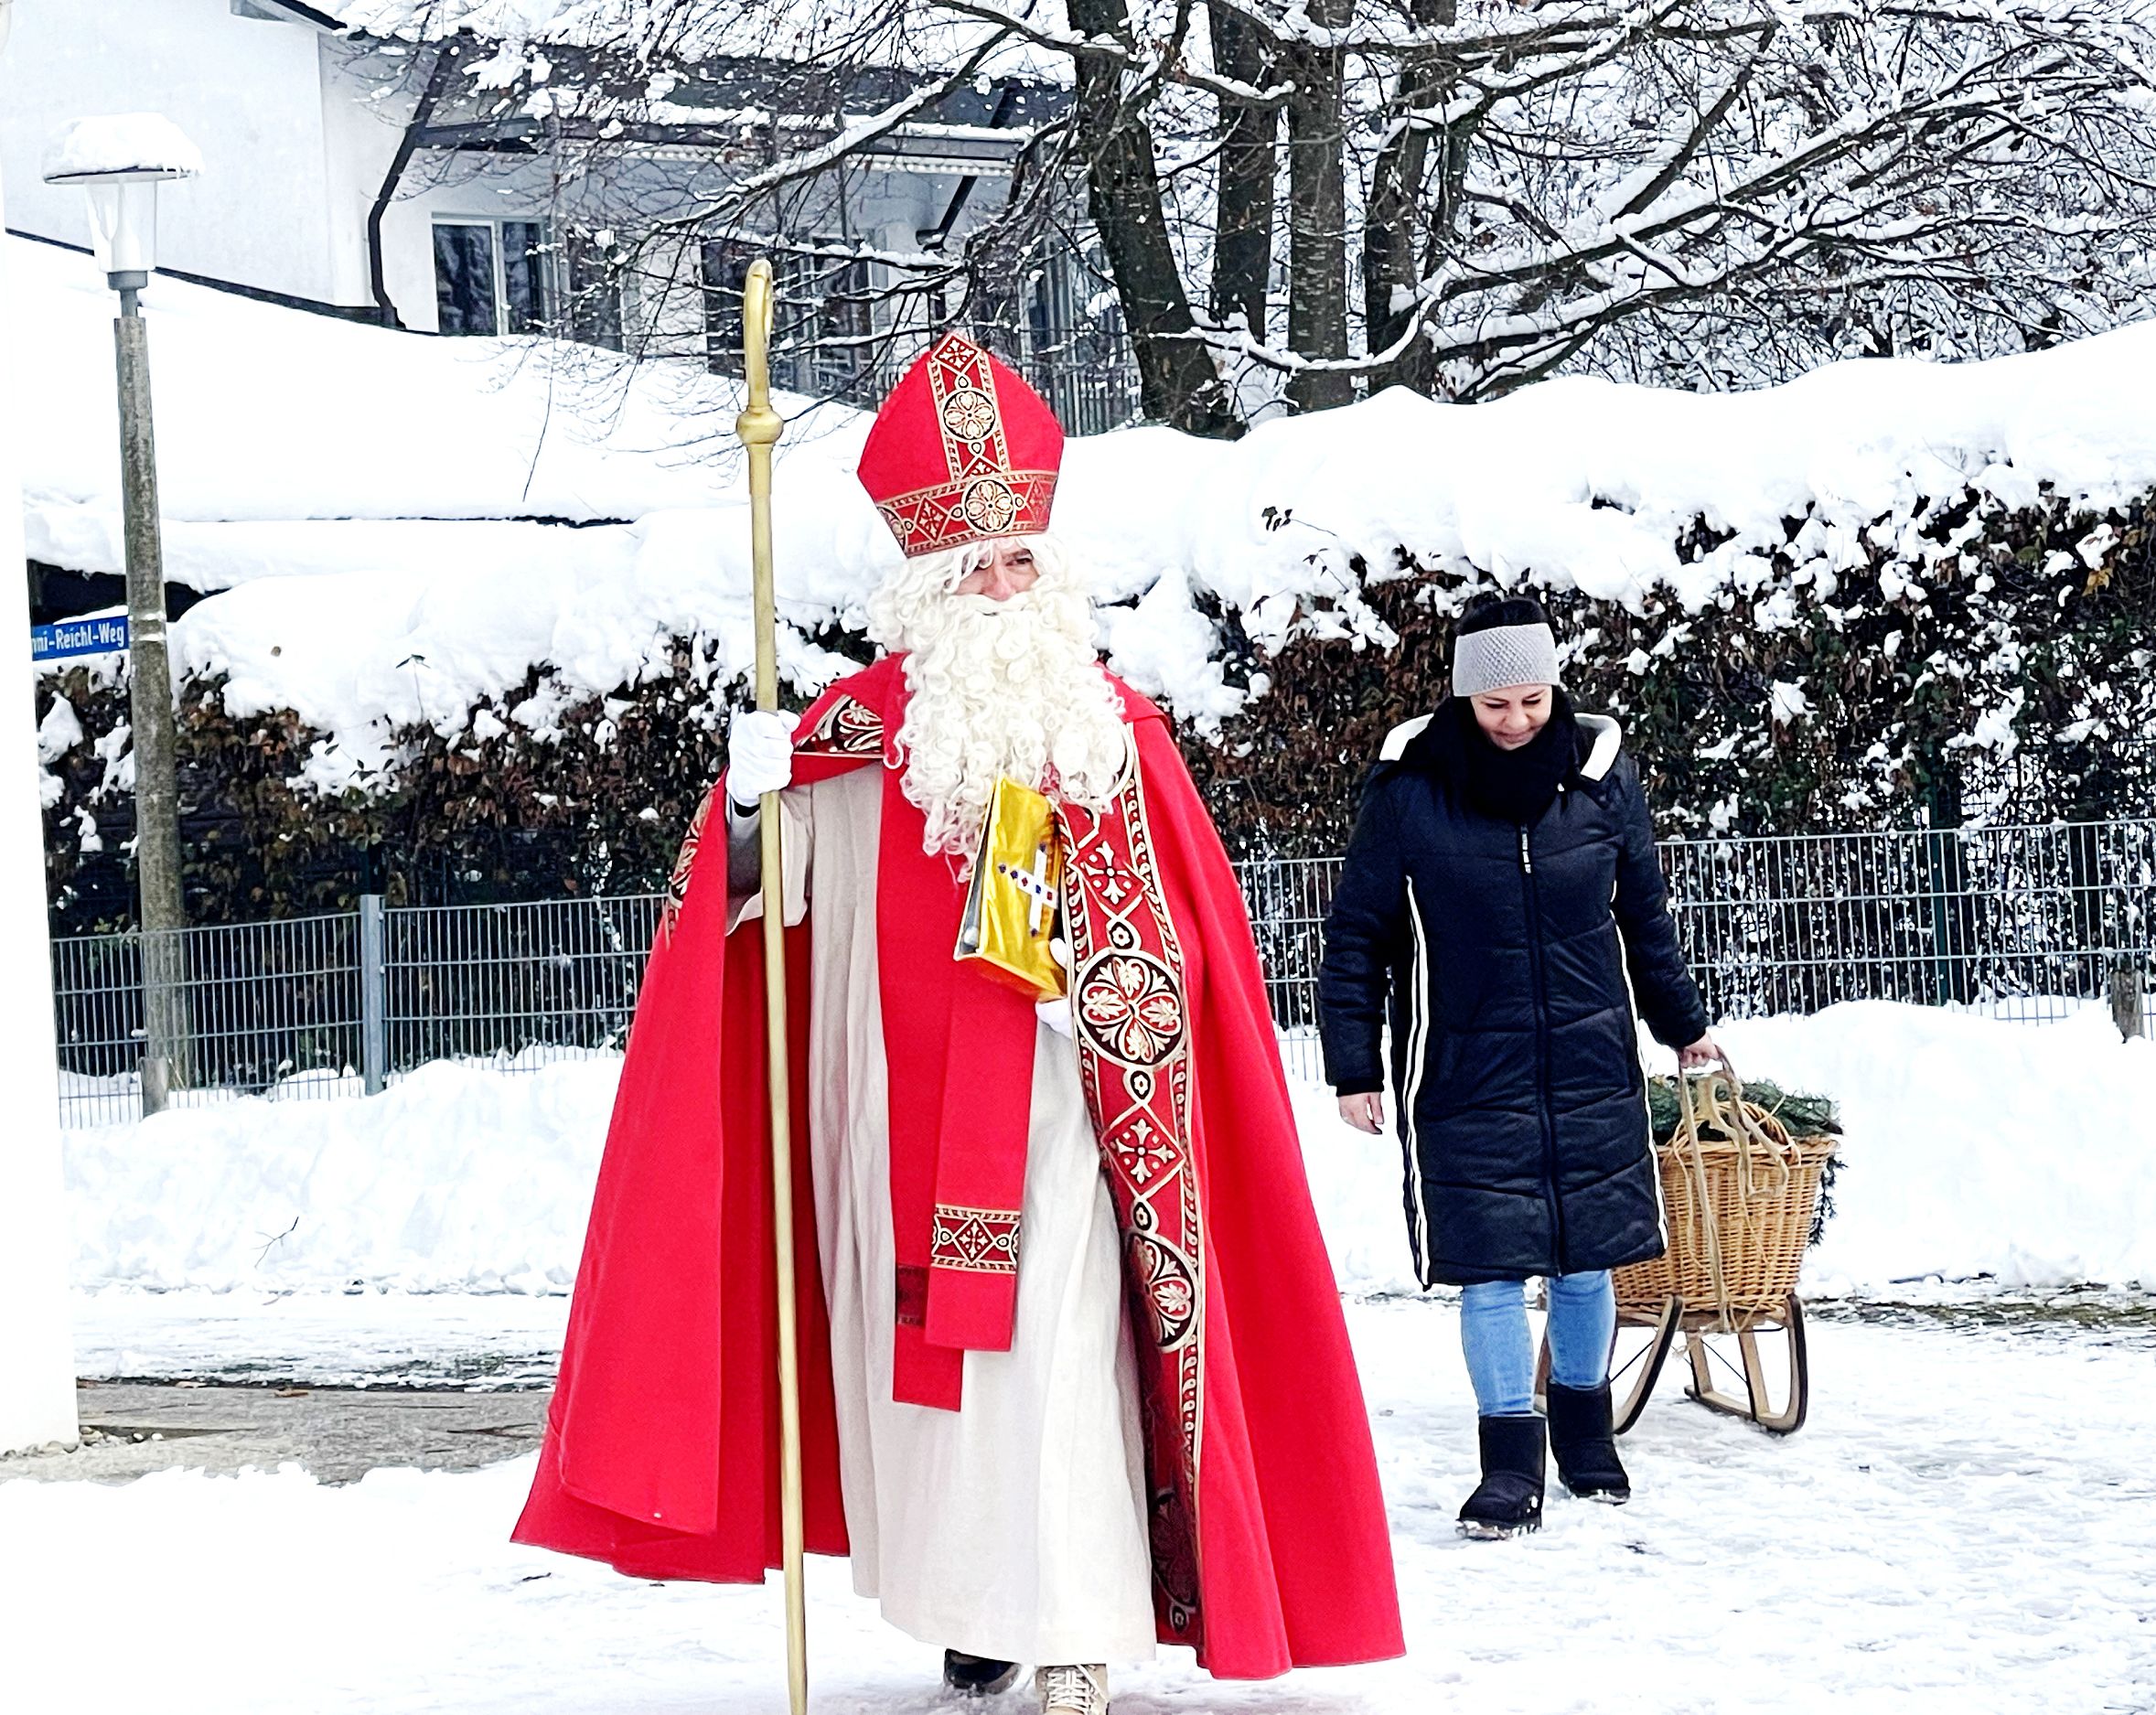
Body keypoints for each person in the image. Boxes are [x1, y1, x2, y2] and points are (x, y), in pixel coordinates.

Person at [513, 333, 1402, 1714]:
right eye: (974, 567)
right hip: (893, 1121)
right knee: (930, 1389)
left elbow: (1190, 946)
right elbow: (757, 903)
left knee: (1056, 1359)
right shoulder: (857, 738)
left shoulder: (1111, 733)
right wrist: (746, 808)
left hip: (1073, 1115)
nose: (1002, 587)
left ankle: (1072, 1626)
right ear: (925, 586)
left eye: (1020, 562)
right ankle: (973, 1610)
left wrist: (1110, 1000)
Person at [1316, 594, 1721, 1538]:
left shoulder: (1599, 779)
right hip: (1463, 1066)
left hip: (1589, 1058)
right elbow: (1358, 935)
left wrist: (1683, 1026)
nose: (1516, 721)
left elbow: (1644, 916)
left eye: (1532, 701)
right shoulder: (1409, 791)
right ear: (1465, 698)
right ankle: (1507, 1462)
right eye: (1496, 704)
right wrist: (1353, 1065)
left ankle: (1586, 1435)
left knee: (1585, 1261)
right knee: (1492, 1270)